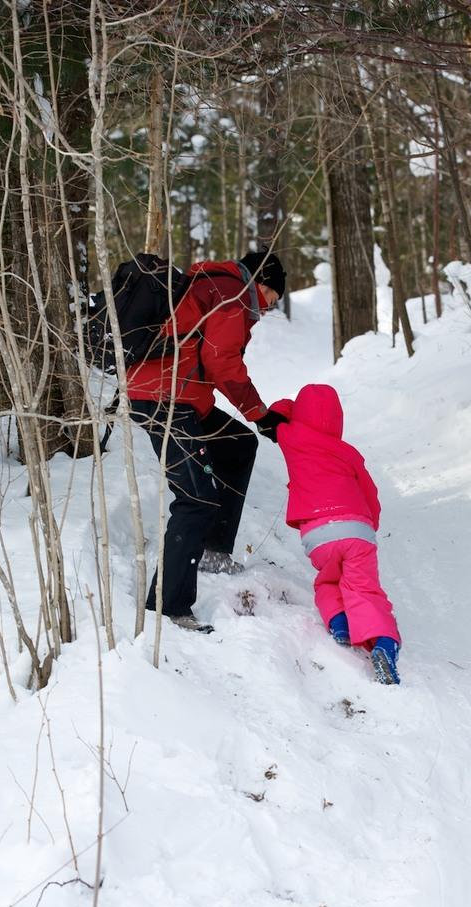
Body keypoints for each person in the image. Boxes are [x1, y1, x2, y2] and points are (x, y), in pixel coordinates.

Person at [127, 251, 288, 633]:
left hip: (174, 393)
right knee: (196, 500)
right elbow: (222, 362)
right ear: (262, 284)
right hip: (167, 399)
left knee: (237, 444)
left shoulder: (213, 285)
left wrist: (253, 422)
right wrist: (260, 414)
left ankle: (215, 551)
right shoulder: (232, 294)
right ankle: (168, 607)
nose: (267, 309)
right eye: (272, 299)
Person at [268, 383, 401, 684]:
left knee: (329, 580)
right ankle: (382, 641)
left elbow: (276, 410)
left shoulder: (291, 437)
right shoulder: (347, 452)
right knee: (363, 588)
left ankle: (340, 623)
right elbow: (370, 493)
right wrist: (371, 523)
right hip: (356, 529)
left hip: (317, 535)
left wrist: (294, 414)